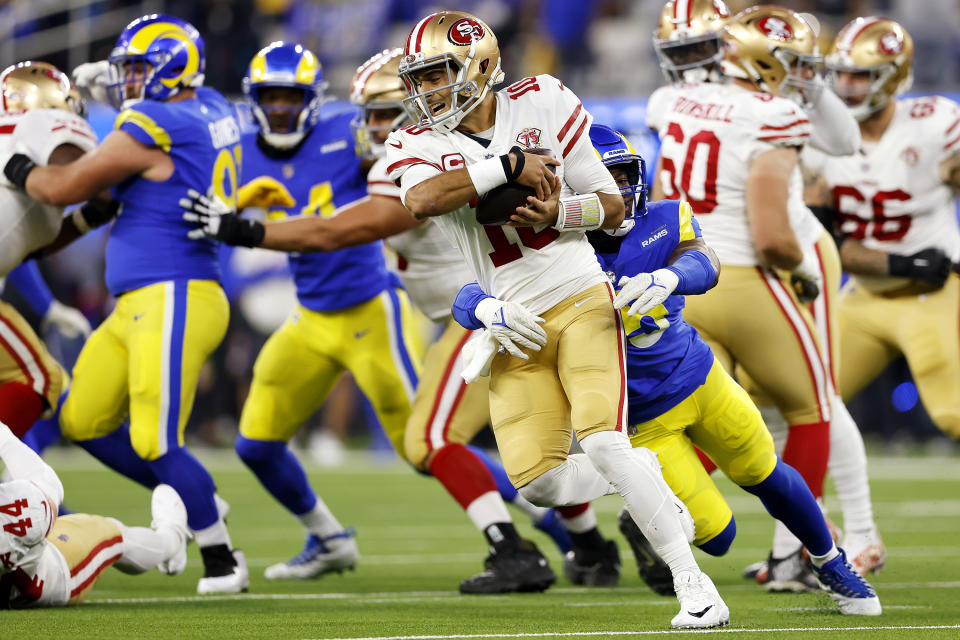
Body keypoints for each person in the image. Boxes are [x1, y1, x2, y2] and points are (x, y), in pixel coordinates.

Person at [182, 47, 619, 592]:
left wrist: (246, 231)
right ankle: (587, 537)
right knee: (460, 448)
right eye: (371, 114)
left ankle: (544, 538)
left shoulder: (427, 161)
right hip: (447, 314)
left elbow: (341, 229)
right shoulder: (373, 145)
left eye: (390, 114)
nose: (378, 126)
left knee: (433, 442)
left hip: (488, 311)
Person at [454, 123, 882, 617]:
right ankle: (651, 511)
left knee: (765, 473)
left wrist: (670, 275)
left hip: (700, 378)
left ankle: (830, 561)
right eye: (601, 180)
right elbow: (465, 291)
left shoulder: (663, 218)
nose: (614, 191)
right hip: (640, 420)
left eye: (619, 176)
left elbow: (707, 262)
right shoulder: (545, 247)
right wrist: (486, 308)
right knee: (719, 538)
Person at [387, 10, 725, 629]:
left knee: (601, 439)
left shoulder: (542, 98)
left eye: (438, 73)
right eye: (421, 77)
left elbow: (612, 205)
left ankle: (693, 585)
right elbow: (421, 201)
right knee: (539, 482)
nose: (426, 90)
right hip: (512, 318)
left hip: (579, 293)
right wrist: (509, 168)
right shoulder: (415, 142)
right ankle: (644, 477)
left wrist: (559, 210)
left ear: (479, 66)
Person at [1, 14, 246, 594]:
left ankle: (221, 557)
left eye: (138, 70)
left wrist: (14, 160)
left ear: (172, 70)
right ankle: (197, 494)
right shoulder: (208, 104)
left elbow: (61, 189)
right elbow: (112, 193)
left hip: (178, 289)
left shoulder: (156, 118)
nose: (129, 83)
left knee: (155, 439)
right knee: (82, 417)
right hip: (139, 298)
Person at [650, 0, 884, 582]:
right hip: (758, 270)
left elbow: (658, 196)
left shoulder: (669, 102)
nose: (809, 75)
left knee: (694, 409)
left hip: (682, 272)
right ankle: (803, 551)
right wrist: (798, 269)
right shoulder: (771, 115)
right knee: (814, 405)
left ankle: (671, 518)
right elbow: (773, 232)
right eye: (796, 65)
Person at [807, 21, 959, 442]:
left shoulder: (935, 123)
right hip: (864, 297)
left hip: (934, 291)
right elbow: (825, 241)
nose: (848, 85)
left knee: (952, 414)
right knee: (799, 397)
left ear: (893, 76)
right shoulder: (817, 138)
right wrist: (900, 261)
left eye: (862, 75)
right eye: (843, 73)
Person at [0, 61, 98, 441]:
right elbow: (70, 187)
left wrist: (90, 217)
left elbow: (21, 245)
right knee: (39, 377)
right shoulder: (37, 126)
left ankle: (30, 497)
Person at [0, 422, 190, 608]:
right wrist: (4, 436)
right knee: (111, 533)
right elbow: (47, 484)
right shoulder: (14, 509)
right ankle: (173, 540)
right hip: (51, 576)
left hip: (23, 563)